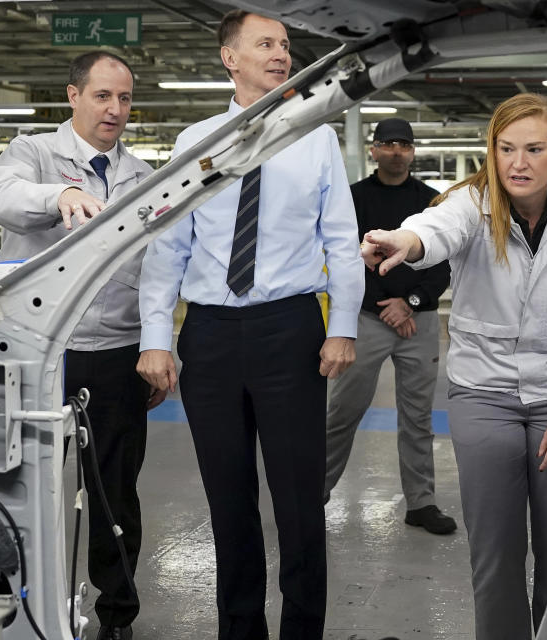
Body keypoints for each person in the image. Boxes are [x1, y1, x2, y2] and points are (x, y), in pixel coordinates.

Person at [361, 93, 547, 640]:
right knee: (496, 553)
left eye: (533, 149)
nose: (518, 163)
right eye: (506, 149)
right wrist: (404, 242)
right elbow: (434, 232)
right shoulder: (470, 203)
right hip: (484, 396)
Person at [135, 10, 363, 639]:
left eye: (286, 44)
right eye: (265, 43)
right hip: (208, 334)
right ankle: (239, 630)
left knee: (297, 501)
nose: (281, 54)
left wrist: (342, 325)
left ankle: (301, 632)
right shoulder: (195, 142)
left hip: (289, 331)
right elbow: (168, 249)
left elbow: (341, 242)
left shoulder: (316, 138)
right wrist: (157, 338)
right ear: (229, 57)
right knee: (227, 501)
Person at [0, 51, 160, 640]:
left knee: (115, 492)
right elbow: (3, 199)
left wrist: (161, 348)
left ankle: (117, 616)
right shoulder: (31, 153)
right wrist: (56, 197)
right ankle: (9, 612)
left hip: (115, 351)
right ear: (73, 95)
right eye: (102, 96)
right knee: (14, 487)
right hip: (34, 354)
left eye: (125, 99)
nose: (115, 110)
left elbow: (160, 269)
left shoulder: (142, 175)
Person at [324, 118, 456, 534]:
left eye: (404, 144)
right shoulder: (352, 198)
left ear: (413, 152)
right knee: (343, 410)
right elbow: (343, 258)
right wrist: (384, 306)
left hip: (418, 320)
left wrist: (409, 302)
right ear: (374, 149)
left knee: (418, 416)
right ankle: (313, 495)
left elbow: (443, 263)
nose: (397, 151)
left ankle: (421, 502)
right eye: (388, 144)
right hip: (365, 318)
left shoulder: (435, 202)